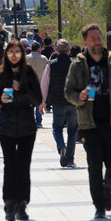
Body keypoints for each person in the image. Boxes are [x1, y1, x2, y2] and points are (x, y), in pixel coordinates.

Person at [64, 24, 111, 219]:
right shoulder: (77, 65)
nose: (97, 41)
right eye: (92, 38)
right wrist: (80, 96)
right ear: (85, 42)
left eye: (99, 37)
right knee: (94, 166)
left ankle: (106, 188)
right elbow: (68, 92)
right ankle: (99, 205)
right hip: (89, 124)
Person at [0, 40, 42, 221]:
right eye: (10, 51)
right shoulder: (1, 73)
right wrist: (1, 100)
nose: (13, 55)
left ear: (22, 54)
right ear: (6, 54)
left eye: (17, 52)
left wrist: (23, 91)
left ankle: (22, 204)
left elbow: (38, 100)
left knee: (24, 166)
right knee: (10, 166)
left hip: (27, 126)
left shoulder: (28, 73)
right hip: (6, 127)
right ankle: (9, 204)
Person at [40, 39, 78, 168]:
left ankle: (61, 146)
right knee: (72, 131)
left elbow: (45, 84)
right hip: (73, 102)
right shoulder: (75, 65)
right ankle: (70, 159)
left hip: (57, 102)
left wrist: (42, 102)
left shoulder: (51, 65)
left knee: (57, 128)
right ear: (69, 51)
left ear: (56, 50)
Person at [26, 42, 48, 128]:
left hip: (29, 83)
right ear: (39, 48)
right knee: (39, 102)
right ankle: (39, 122)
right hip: (41, 83)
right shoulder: (43, 58)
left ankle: (30, 120)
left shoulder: (26, 58)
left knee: (30, 102)